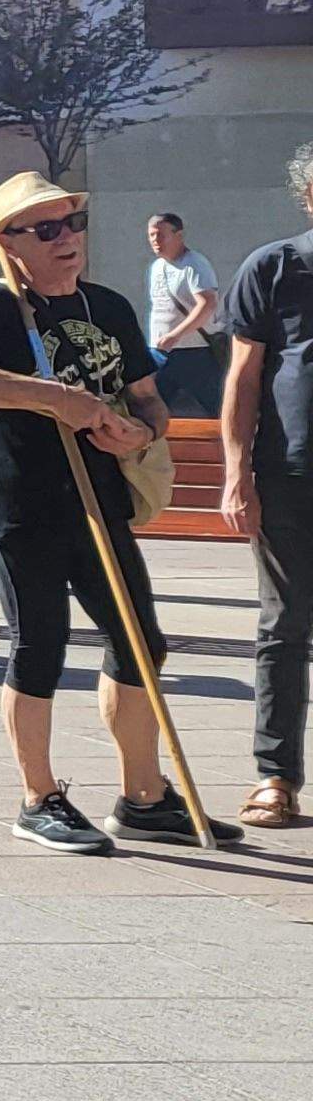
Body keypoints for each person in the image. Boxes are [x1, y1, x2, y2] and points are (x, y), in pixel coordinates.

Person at [0, 174, 241, 854]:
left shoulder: (108, 306)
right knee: (39, 646)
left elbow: (148, 399)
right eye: (45, 229)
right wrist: (51, 397)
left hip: (101, 503)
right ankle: (38, 798)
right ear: (8, 244)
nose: (66, 238)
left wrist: (142, 433)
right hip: (25, 507)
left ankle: (144, 798)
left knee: (140, 641)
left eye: (71, 222)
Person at [224, 147, 313, 830]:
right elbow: (244, 379)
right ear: (307, 195)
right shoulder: (274, 267)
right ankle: (276, 777)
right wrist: (237, 473)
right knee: (283, 625)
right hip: (288, 474)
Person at [147, 212, 224, 417]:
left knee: (220, 408)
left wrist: (175, 335)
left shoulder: (194, 264)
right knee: (148, 408)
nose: (155, 241)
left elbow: (207, 304)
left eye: (161, 235)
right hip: (160, 351)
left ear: (179, 235)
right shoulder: (157, 267)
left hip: (195, 352)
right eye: (151, 235)